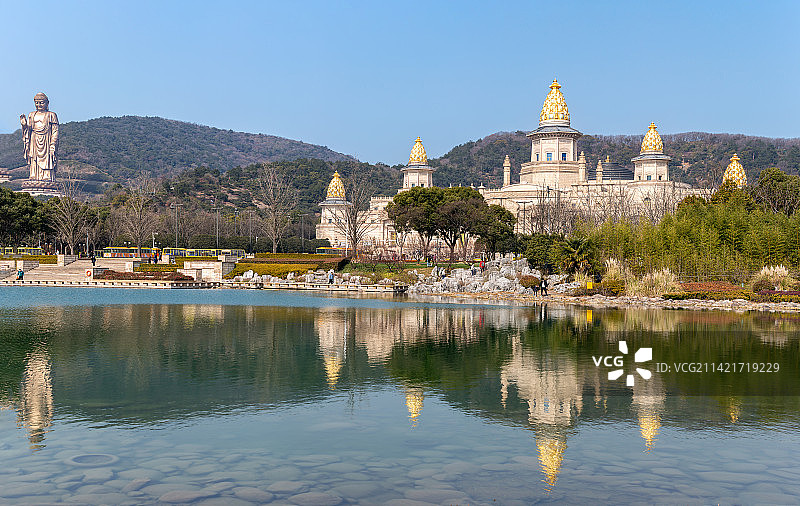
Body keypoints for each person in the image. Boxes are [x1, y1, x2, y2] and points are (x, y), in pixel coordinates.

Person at [20, 93, 59, 182]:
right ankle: (34, 174)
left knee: (47, 157)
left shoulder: (51, 115)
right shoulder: (32, 114)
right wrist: (24, 125)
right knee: (34, 157)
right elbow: (28, 130)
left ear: (47, 103)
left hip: (47, 139)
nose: (39, 105)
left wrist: (53, 143)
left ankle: (47, 175)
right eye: (37, 103)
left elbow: (55, 130)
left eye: (41, 102)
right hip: (34, 139)